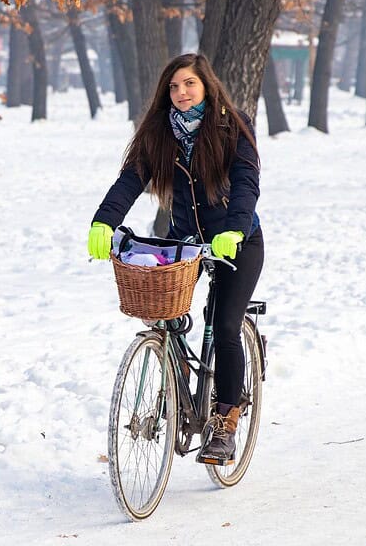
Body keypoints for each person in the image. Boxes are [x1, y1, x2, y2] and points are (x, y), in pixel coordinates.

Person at [87, 53, 264, 465]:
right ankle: (175, 372)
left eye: (189, 84)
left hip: (237, 242)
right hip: (185, 242)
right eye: (174, 87)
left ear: (206, 87)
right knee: (163, 310)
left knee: (223, 325)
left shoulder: (231, 126)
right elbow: (130, 182)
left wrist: (234, 229)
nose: (181, 93)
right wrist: (103, 222)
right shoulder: (161, 135)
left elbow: (246, 182)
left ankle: (224, 420)